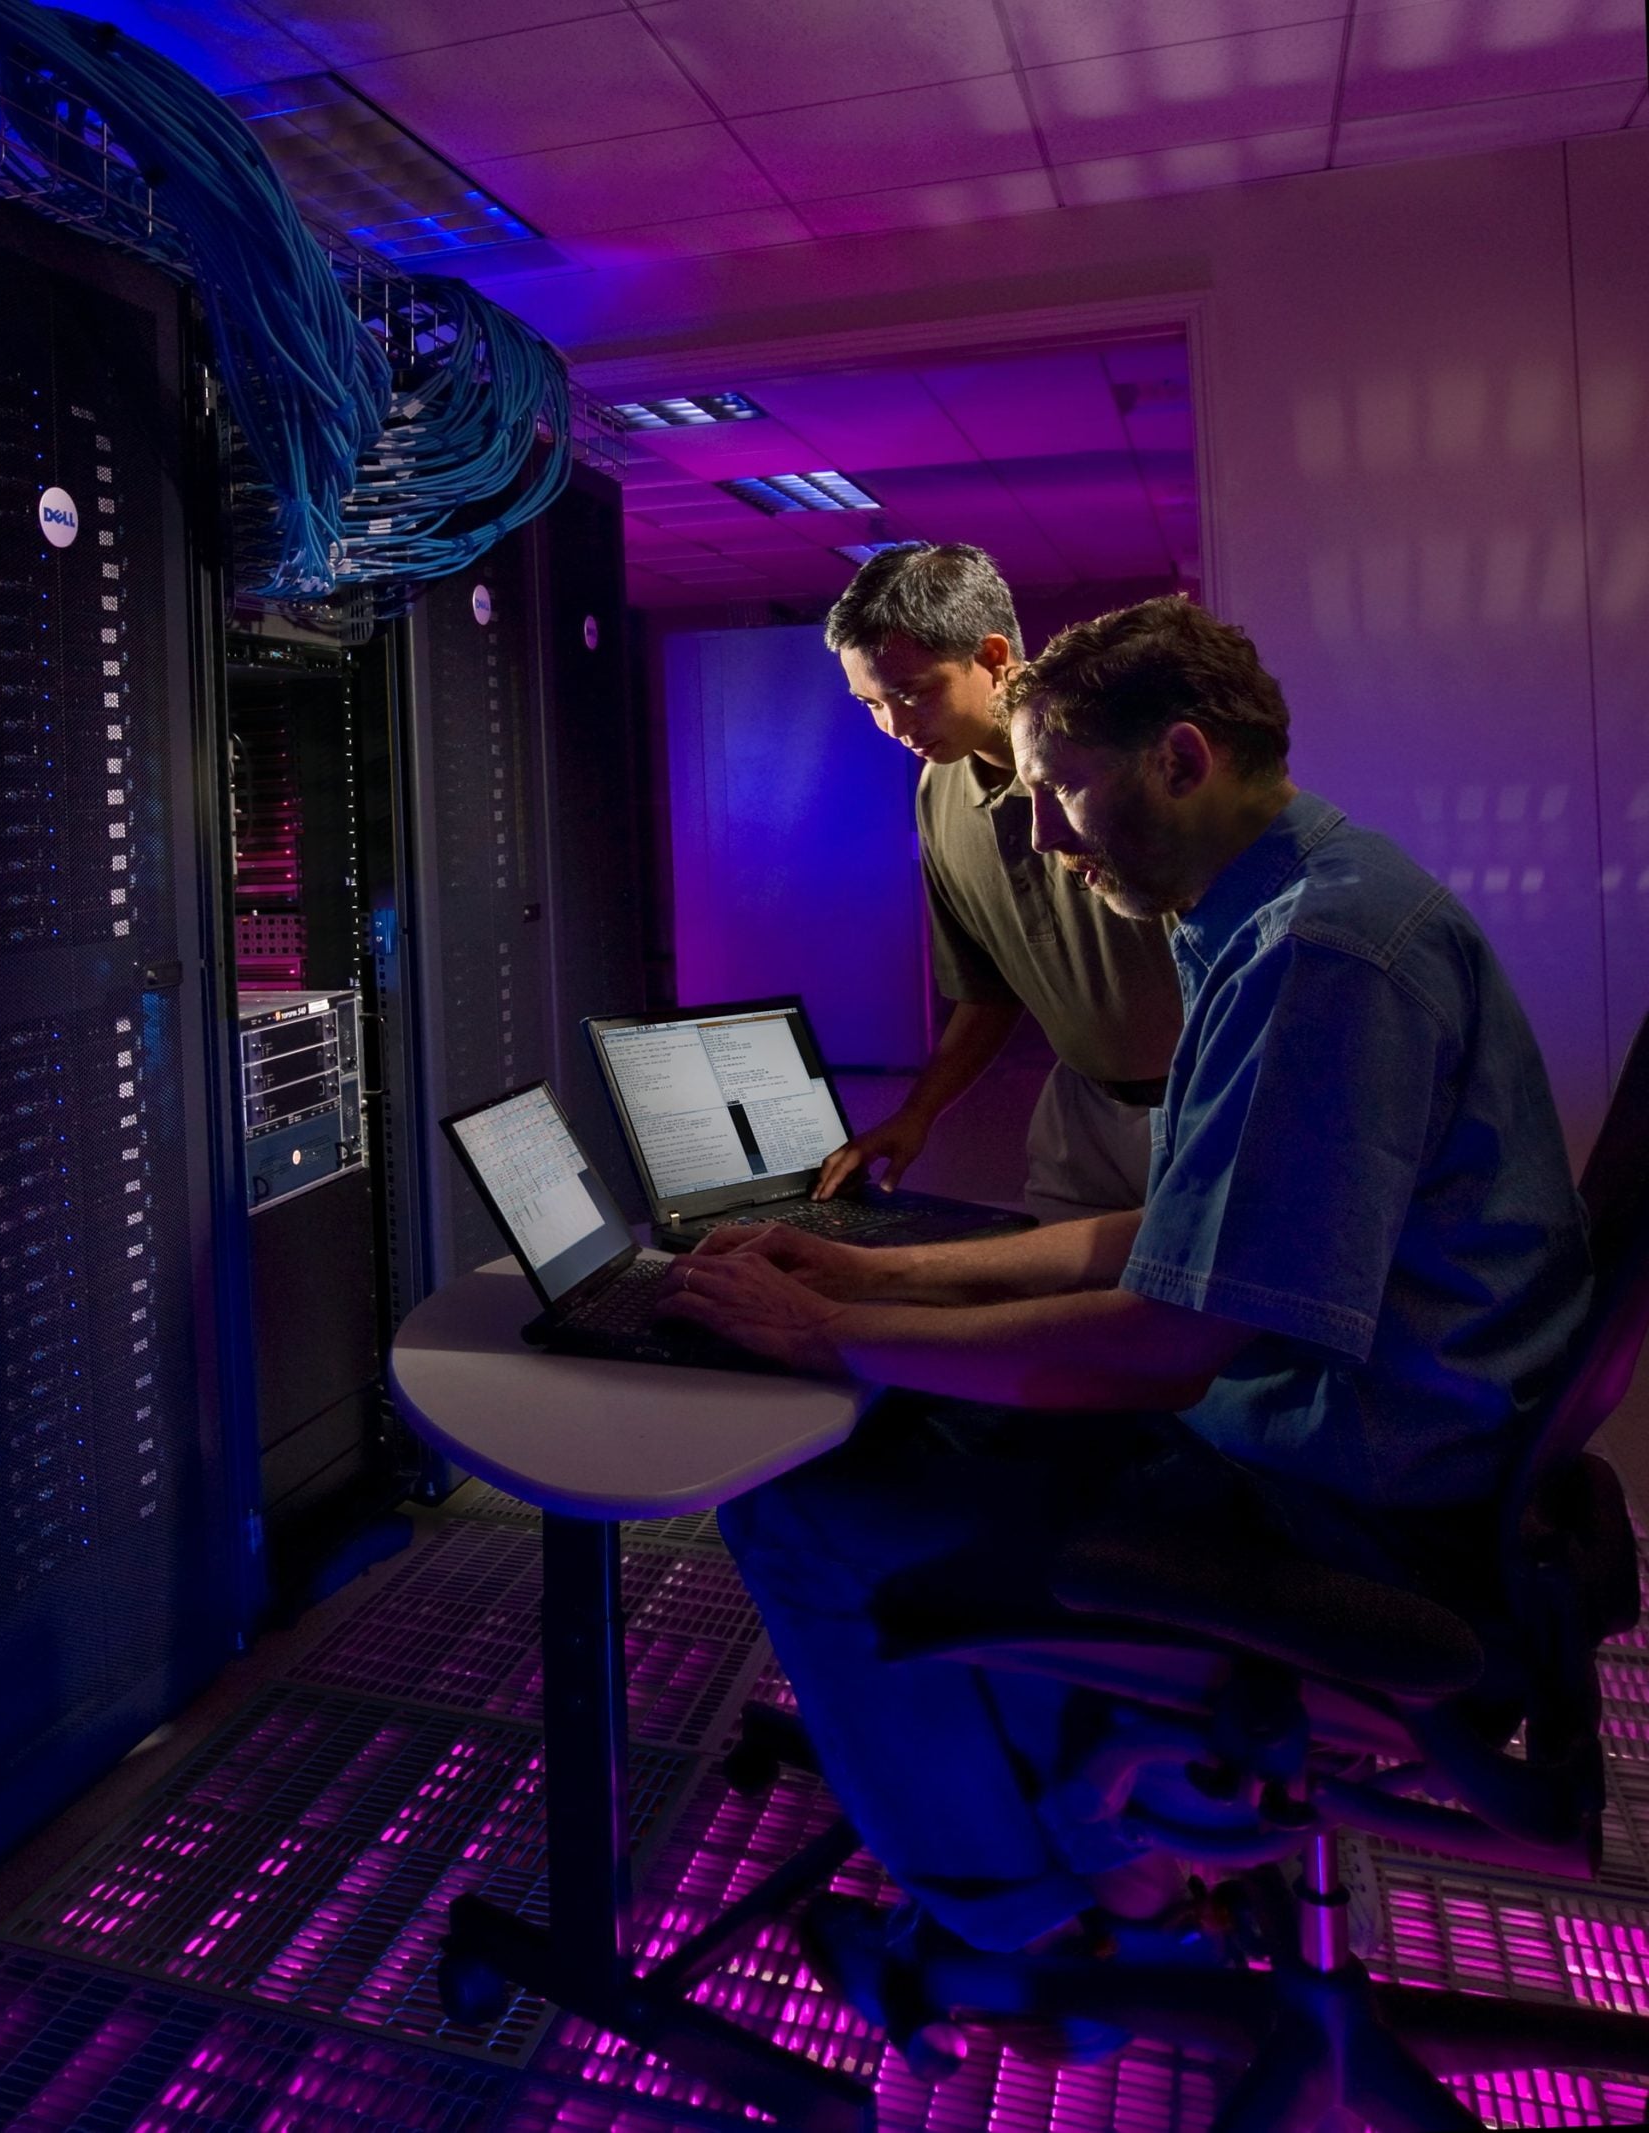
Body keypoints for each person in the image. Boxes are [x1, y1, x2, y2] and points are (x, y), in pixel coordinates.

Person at [658, 596, 1591, 1985]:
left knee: (802, 1503)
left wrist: (832, 1331)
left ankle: (1016, 1935)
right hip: (1375, 1446)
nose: (1039, 835)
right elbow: (1177, 1237)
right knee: (919, 1416)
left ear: (1181, 758)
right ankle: (1105, 1828)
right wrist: (873, 1274)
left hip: (1357, 1508)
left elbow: (1171, 1338)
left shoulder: (1320, 953)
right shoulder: (1284, 903)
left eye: (1058, 790)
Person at [816, 545, 1181, 1223]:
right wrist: (917, 1114)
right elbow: (987, 990)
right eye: (871, 703)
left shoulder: (1118, 756)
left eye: (912, 693)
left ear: (991, 656)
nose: (893, 726)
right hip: (1080, 1105)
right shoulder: (936, 793)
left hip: (1207, 1098)